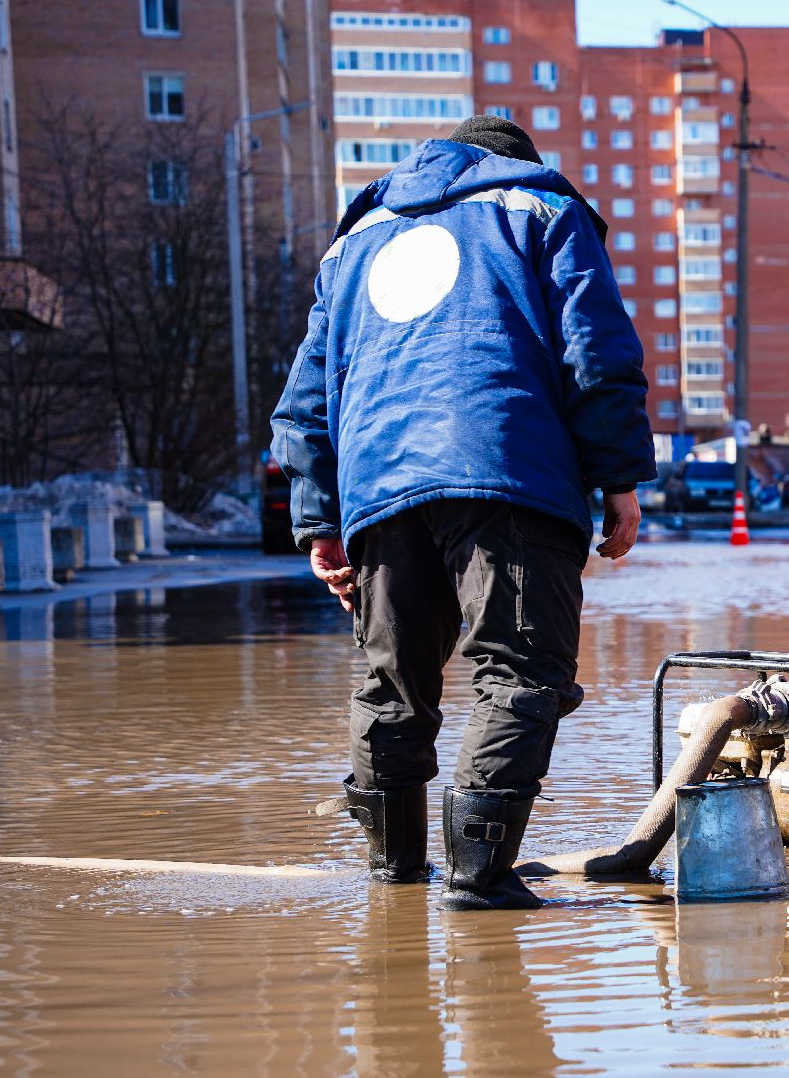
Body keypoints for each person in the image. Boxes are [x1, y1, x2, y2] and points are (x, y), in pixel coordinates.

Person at [271, 116, 655, 910]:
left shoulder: (353, 244)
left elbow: (305, 399)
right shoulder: (543, 210)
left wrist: (319, 518)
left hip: (377, 487)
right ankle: (479, 884)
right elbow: (595, 348)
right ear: (518, 163)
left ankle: (395, 877)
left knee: (393, 682)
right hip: (508, 469)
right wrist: (619, 474)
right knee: (518, 670)